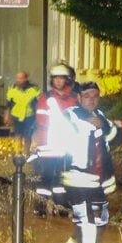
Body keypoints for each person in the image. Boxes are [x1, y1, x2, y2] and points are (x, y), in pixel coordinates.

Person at [61, 82, 118, 243]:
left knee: (99, 223)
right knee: (90, 224)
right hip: (78, 180)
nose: (92, 99)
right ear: (79, 98)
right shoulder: (71, 116)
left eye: (95, 96)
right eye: (87, 96)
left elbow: (114, 136)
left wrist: (104, 126)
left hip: (98, 182)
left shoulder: (100, 115)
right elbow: (67, 138)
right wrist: (91, 125)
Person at [32, 62, 78, 216]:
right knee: (46, 177)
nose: (59, 81)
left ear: (67, 80)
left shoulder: (72, 98)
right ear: (52, 80)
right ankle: (40, 207)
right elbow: (41, 119)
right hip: (48, 145)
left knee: (62, 179)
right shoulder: (46, 97)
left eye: (62, 78)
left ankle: (62, 207)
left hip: (66, 144)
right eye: (56, 78)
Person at [6, 70, 41, 154]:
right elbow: (8, 104)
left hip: (29, 116)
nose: (18, 80)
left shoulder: (34, 89)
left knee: (27, 136)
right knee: (17, 135)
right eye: (17, 78)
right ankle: (17, 153)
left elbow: (37, 103)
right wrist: (8, 115)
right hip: (17, 116)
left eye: (21, 78)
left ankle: (26, 153)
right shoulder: (12, 89)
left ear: (26, 78)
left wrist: (37, 116)